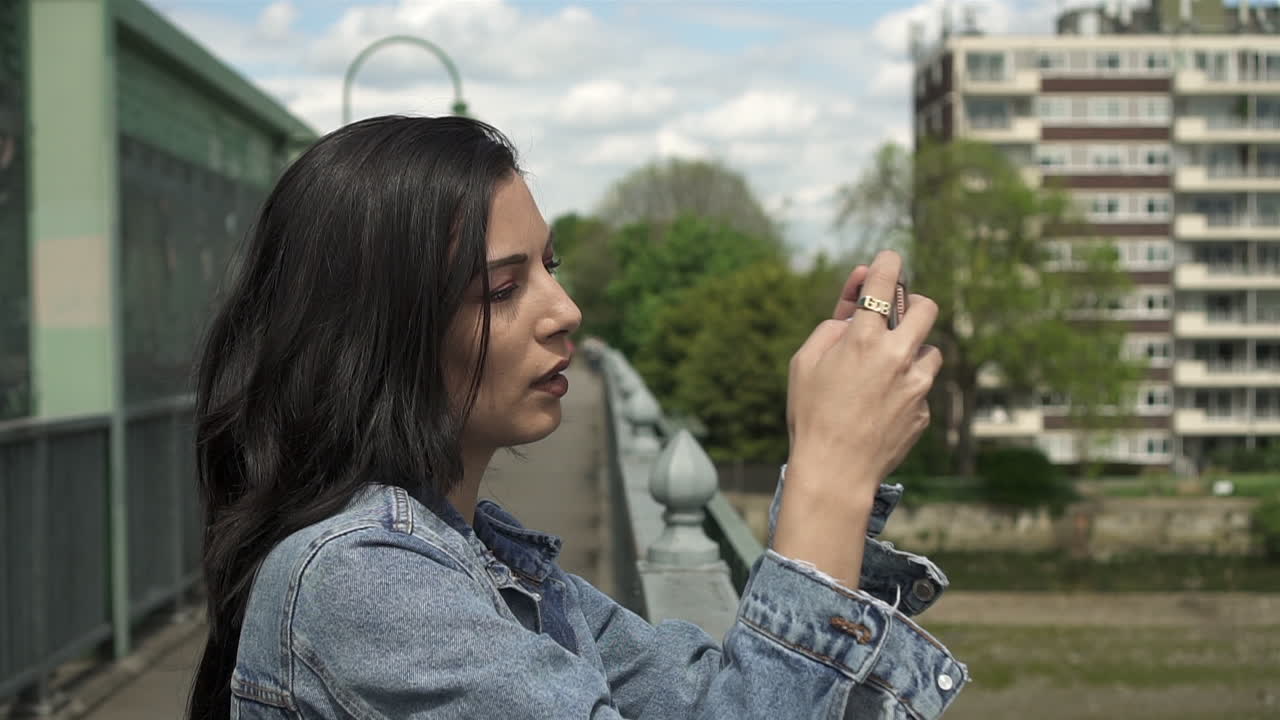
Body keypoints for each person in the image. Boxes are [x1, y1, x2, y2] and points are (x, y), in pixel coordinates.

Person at [186, 115, 967, 720]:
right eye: (502, 289)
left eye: (549, 266)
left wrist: (841, 465)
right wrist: (831, 472)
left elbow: (708, 702)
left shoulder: (485, 561)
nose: (565, 311)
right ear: (376, 335)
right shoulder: (364, 582)